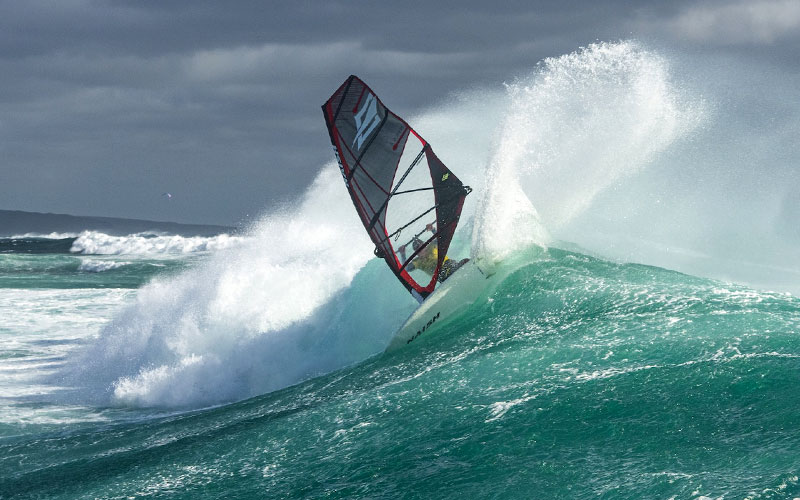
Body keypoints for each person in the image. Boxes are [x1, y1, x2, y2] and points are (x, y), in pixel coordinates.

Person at [399, 223, 469, 283]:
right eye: (418, 250)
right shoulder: (418, 262)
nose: (421, 251)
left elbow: (440, 237)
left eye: (422, 247)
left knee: (465, 261)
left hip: (450, 264)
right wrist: (402, 254)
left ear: (425, 245)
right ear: (416, 253)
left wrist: (432, 229)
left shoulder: (431, 246)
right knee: (453, 271)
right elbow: (406, 268)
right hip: (441, 275)